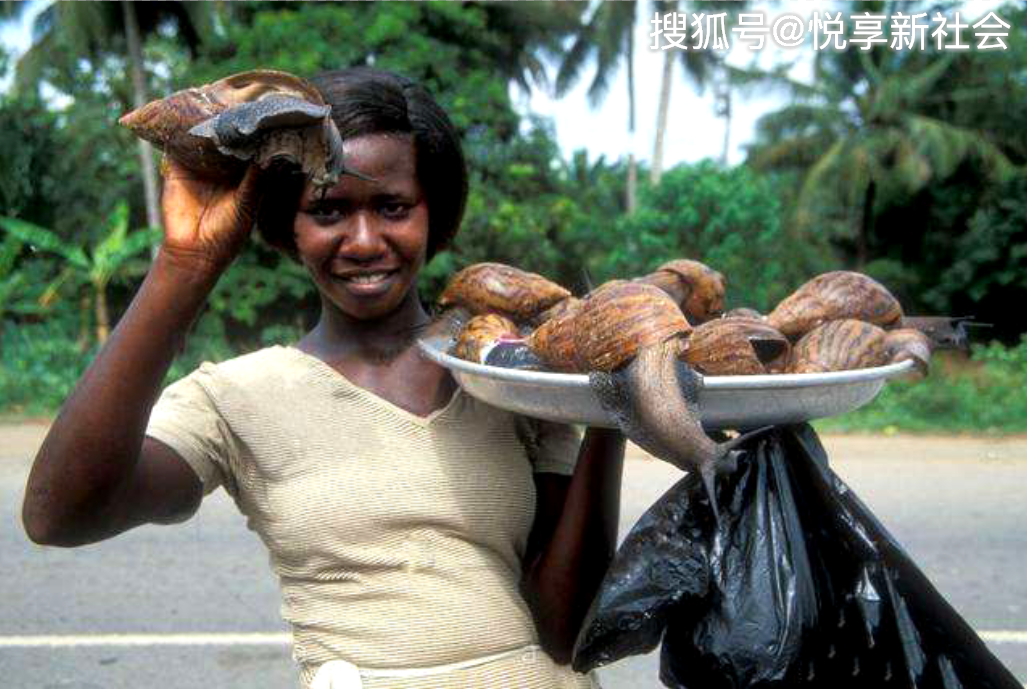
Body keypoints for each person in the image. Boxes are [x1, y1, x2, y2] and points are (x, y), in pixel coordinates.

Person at [22, 67, 626, 688]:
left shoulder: (504, 370)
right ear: (290, 225)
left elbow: (567, 629)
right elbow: (60, 515)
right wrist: (185, 264)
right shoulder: (236, 398)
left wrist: (613, 402)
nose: (364, 241)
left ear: (434, 214)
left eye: (393, 207)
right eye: (328, 209)